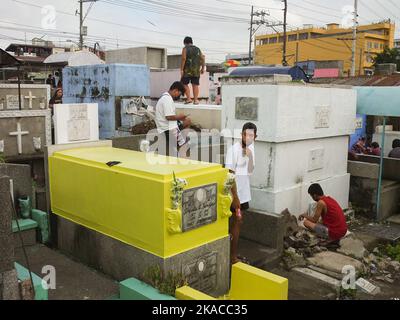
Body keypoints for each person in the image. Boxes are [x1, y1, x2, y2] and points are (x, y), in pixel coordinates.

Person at [225, 122, 257, 264]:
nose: (247, 137)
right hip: (234, 196)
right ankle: (232, 257)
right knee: (236, 222)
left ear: (255, 137)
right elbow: (230, 175)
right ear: (241, 135)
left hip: (243, 195)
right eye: (245, 134)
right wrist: (235, 197)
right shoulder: (234, 150)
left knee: (237, 222)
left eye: (250, 135)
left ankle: (231, 255)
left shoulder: (251, 148)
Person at [155, 81, 191, 156]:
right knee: (184, 148)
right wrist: (180, 117)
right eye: (179, 94)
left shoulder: (164, 98)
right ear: (175, 90)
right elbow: (169, 117)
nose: (178, 96)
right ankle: (183, 164)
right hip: (169, 129)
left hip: (167, 128)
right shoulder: (167, 99)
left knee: (187, 122)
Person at [180, 36, 205, 105]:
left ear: (185, 43)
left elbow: (183, 59)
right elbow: (202, 58)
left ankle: (188, 99)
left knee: (184, 84)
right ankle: (196, 100)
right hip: (196, 70)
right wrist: (203, 68)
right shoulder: (197, 49)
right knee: (195, 85)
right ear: (191, 42)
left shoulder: (185, 49)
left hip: (187, 70)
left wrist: (181, 69)